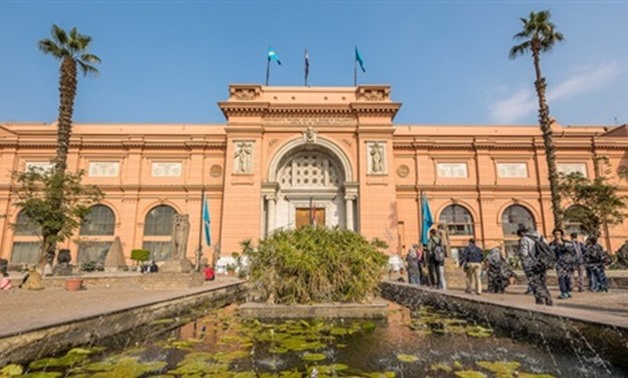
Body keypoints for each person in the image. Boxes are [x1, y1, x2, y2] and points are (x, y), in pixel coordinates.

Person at [517, 226, 553, 306]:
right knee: (542, 282)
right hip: (542, 263)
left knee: (534, 282)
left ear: (522, 233)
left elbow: (524, 254)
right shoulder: (540, 237)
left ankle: (539, 299)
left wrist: (523, 263)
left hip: (531, 264)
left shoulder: (525, 239)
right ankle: (548, 298)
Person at [550, 229, 576, 299]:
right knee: (561, 278)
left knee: (568, 278)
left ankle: (567, 291)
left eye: (558, 234)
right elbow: (550, 253)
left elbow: (572, 250)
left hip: (568, 264)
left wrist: (563, 245)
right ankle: (563, 292)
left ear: (561, 235)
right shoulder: (552, 244)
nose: (557, 235)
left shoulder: (567, 242)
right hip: (559, 264)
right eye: (555, 234)